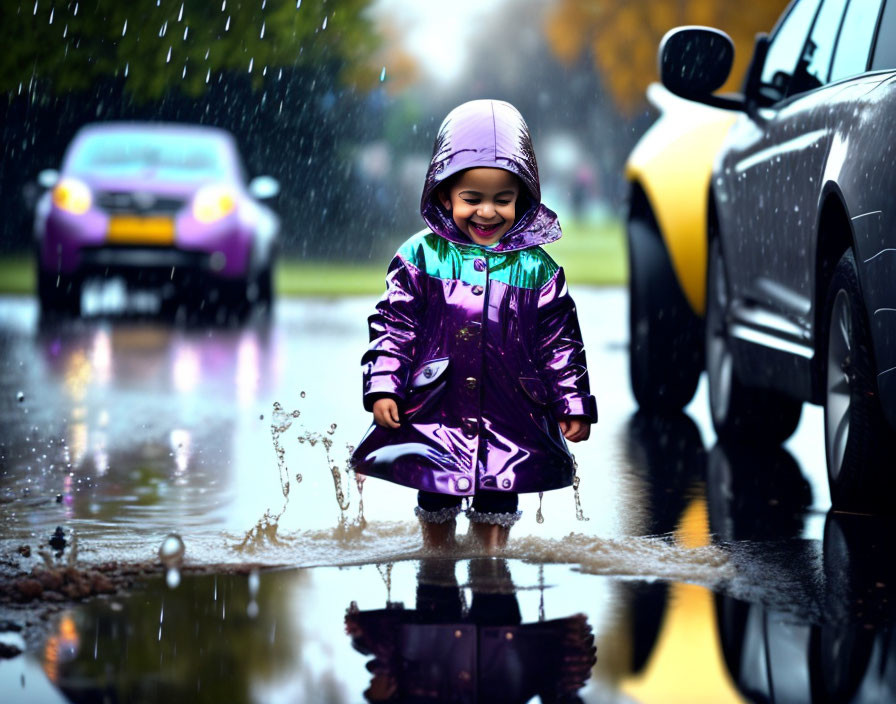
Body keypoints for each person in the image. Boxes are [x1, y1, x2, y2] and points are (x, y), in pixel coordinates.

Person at [351, 99, 597, 552]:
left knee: (499, 491)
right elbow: (394, 323)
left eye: (503, 200)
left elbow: (559, 340)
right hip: (436, 407)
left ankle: (491, 567)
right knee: (436, 486)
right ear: (445, 195)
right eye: (472, 199)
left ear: (521, 198)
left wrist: (573, 400)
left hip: (510, 410)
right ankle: (437, 561)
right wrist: (385, 383)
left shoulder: (537, 268)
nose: (488, 212)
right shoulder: (421, 257)